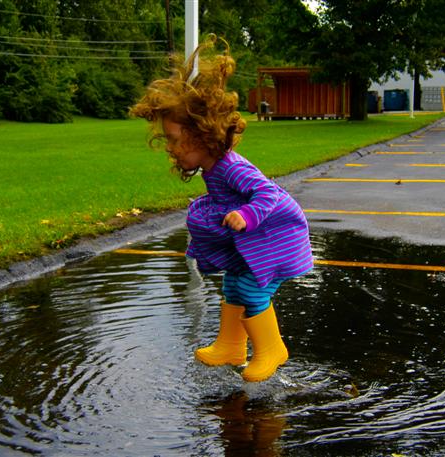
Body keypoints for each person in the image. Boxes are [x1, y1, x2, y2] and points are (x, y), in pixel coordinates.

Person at [130, 35, 313, 382]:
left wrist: (245, 215)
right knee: (232, 285)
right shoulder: (213, 167)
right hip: (260, 239)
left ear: (200, 135)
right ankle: (231, 346)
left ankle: (272, 349)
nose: (169, 148)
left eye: (172, 139)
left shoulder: (231, 166)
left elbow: (268, 193)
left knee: (250, 289)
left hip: (278, 236)